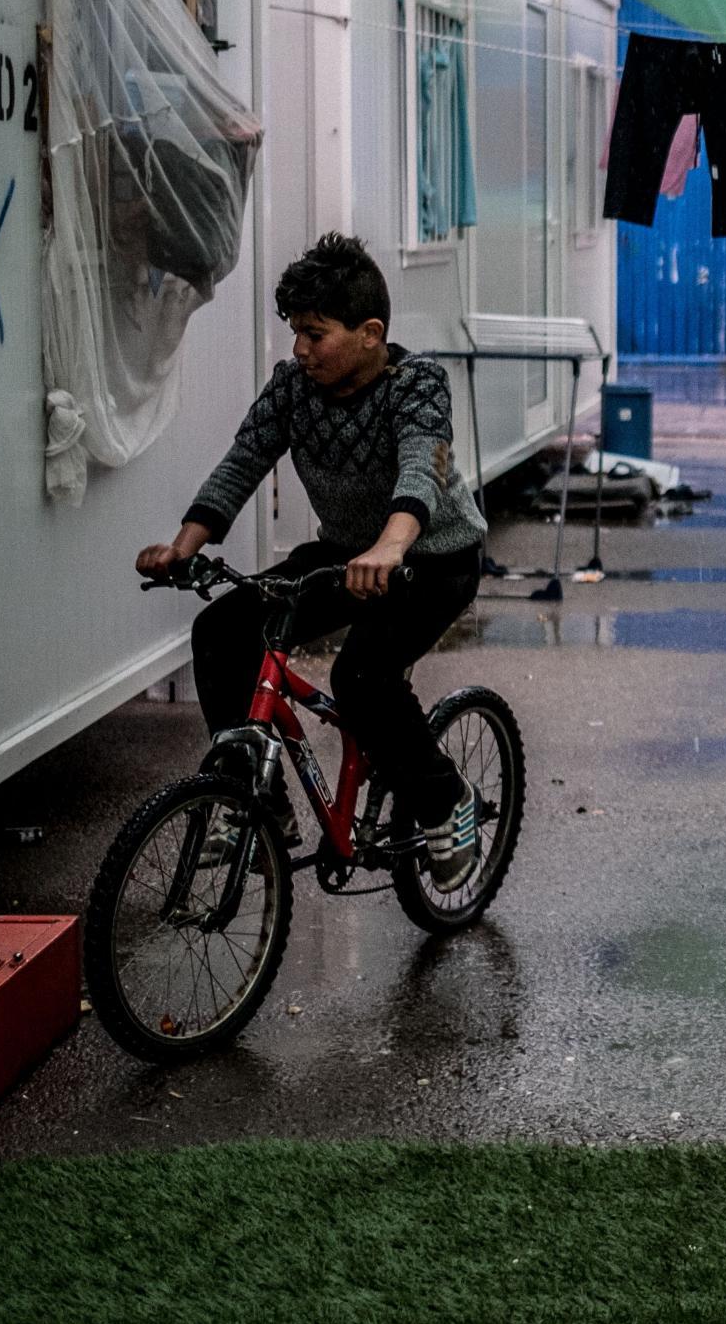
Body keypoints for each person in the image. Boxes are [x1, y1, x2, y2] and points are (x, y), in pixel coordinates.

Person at [136, 233, 490, 892]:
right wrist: (187, 544)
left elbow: (423, 464)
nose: (299, 348)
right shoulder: (293, 389)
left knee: (363, 678)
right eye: (295, 331)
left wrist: (391, 543)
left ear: (369, 332)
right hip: (349, 554)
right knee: (223, 630)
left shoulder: (418, 385)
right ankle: (254, 802)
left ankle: (446, 802)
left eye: (314, 332)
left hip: (433, 556)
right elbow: (244, 459)